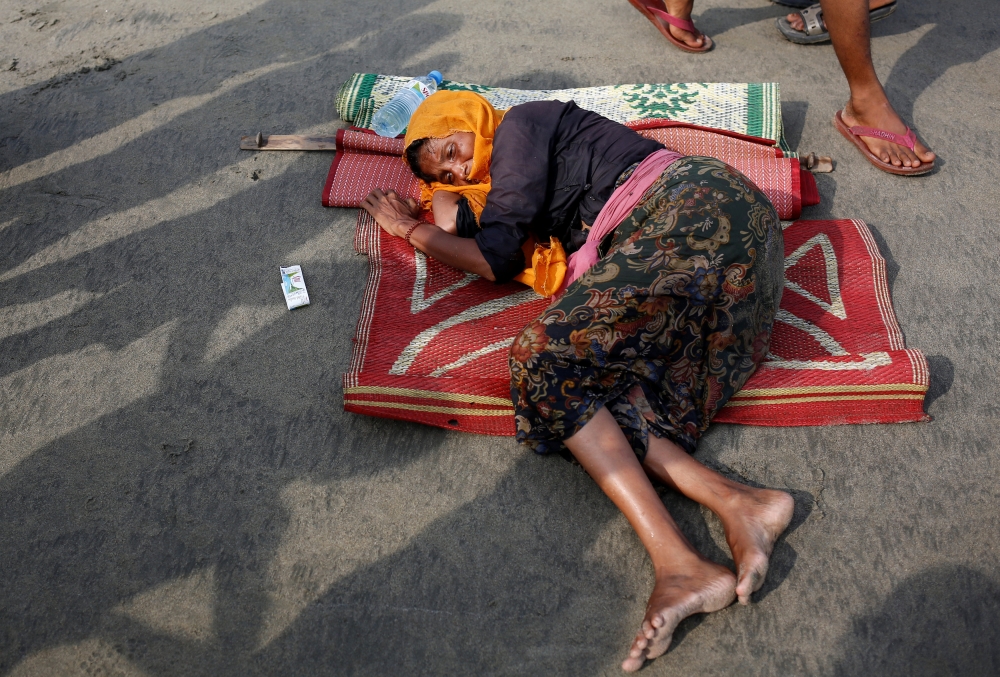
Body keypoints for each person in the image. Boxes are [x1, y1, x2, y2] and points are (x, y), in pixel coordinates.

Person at [361, 91, 795, 672]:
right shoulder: (509, 189)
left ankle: (680, 560)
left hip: (698, 210)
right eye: (445, 172)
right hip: (726, 272)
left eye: (452, 149)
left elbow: (491, 255)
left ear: (469, 117)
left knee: (541, 356)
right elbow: (462, 223)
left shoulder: (521, 124)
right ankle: (739, 504)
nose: (460, 169)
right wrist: (441, 196)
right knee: (579, 396)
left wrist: (404, 229)